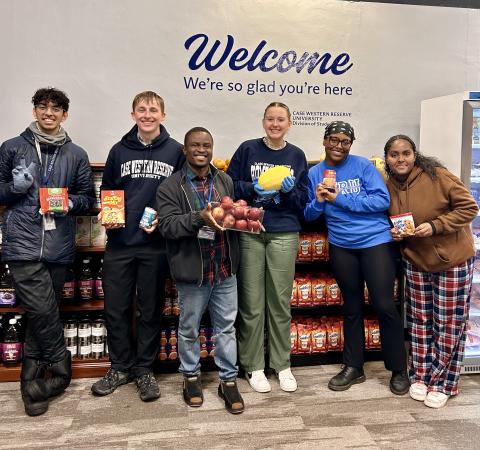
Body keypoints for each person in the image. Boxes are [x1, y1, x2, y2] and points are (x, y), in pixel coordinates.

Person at [0, 87, 94, 416]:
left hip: (58, 246)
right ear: (35, 110)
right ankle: (62, 369)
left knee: (43, 314)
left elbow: (89, 199)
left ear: (65, 115)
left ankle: (31, 383)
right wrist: (16, 188)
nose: (49, 113)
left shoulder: (76, 154)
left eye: (56, 108)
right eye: (43, 107)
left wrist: (70, 203)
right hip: (22, 245)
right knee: (42, 310)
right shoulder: (12, 147)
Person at [91, 91, 184, 402]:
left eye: (153, 109)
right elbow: (108, 191)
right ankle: (119, 367)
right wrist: (106, 211)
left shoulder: (176, 151)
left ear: (163, 115)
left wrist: (167, 217)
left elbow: (183, 194)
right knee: (115, 308)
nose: (148, 114)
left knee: (149, 309)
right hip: (119, 243)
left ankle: (144, 368)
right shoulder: (119, 150)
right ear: (133, 115)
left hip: (155, 245)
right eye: (142, 110)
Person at [304, 121, 409, 395]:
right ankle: (354, 367)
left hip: (376, 242)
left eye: (345, 141)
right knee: (351, 307)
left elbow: (381, 201)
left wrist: (340, 199)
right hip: (341, 245)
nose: (339, 145)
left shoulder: (363, 167)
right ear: (324, 141)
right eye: (334, 140)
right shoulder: (315, 173)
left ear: (351, 144)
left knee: (385, 304)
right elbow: (310, 215)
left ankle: (399, 369)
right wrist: (318, 201)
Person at [384, 135, 477, 408]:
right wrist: (397, 234)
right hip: (416, 261)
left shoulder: (438, 176)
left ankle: (444, 382)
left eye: (406, 153)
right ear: (387, 158)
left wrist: (436, 225)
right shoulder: (389, 185)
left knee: (448, 323)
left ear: (415, 155)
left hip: (452, 261)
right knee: (420, 322)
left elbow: (469, 207)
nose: (400, 159)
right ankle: (421, 375)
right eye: (394, 155)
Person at [156, 127, 245, 414]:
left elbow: (231, 219)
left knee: (227, 328)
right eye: (195, 145)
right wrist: (199, 218)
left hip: (224, 268)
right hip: (193, 272)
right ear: (185, 149)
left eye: (207, 145)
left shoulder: (225, 180)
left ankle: (228, 381)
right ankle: (190, 377)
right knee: (188, 328)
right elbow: (167, 226)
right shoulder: (170, 186)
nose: (201, 150)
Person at [226, 102, 308, 393]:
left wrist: (290, 191)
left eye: (280, 119)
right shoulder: (248, 149)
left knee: (279, 302)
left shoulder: (296, 155)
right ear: (263, 121)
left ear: (289, 123)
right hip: (249, 231)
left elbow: (302, 202)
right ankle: (253, 366)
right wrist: (251, 189)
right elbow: (230, 185)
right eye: (270, 119)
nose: (275, 124)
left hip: (283, 232)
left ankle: (282, 364)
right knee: (251, 302)